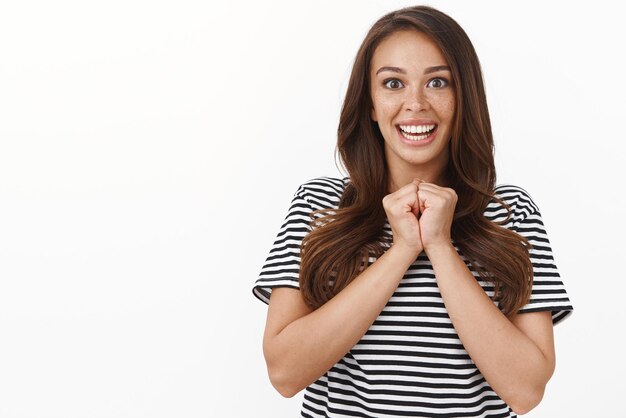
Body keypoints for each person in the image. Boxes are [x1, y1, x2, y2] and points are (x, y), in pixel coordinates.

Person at [252, 5, 573, 417]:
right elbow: (284, 372)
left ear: (464, 98)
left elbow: (526, 390)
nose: (415, 104)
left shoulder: (510, 213)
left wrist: (440, 244)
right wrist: (403, 248)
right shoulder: (318, 206)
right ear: (369, 103)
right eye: (393, 83)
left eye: (437, 82)